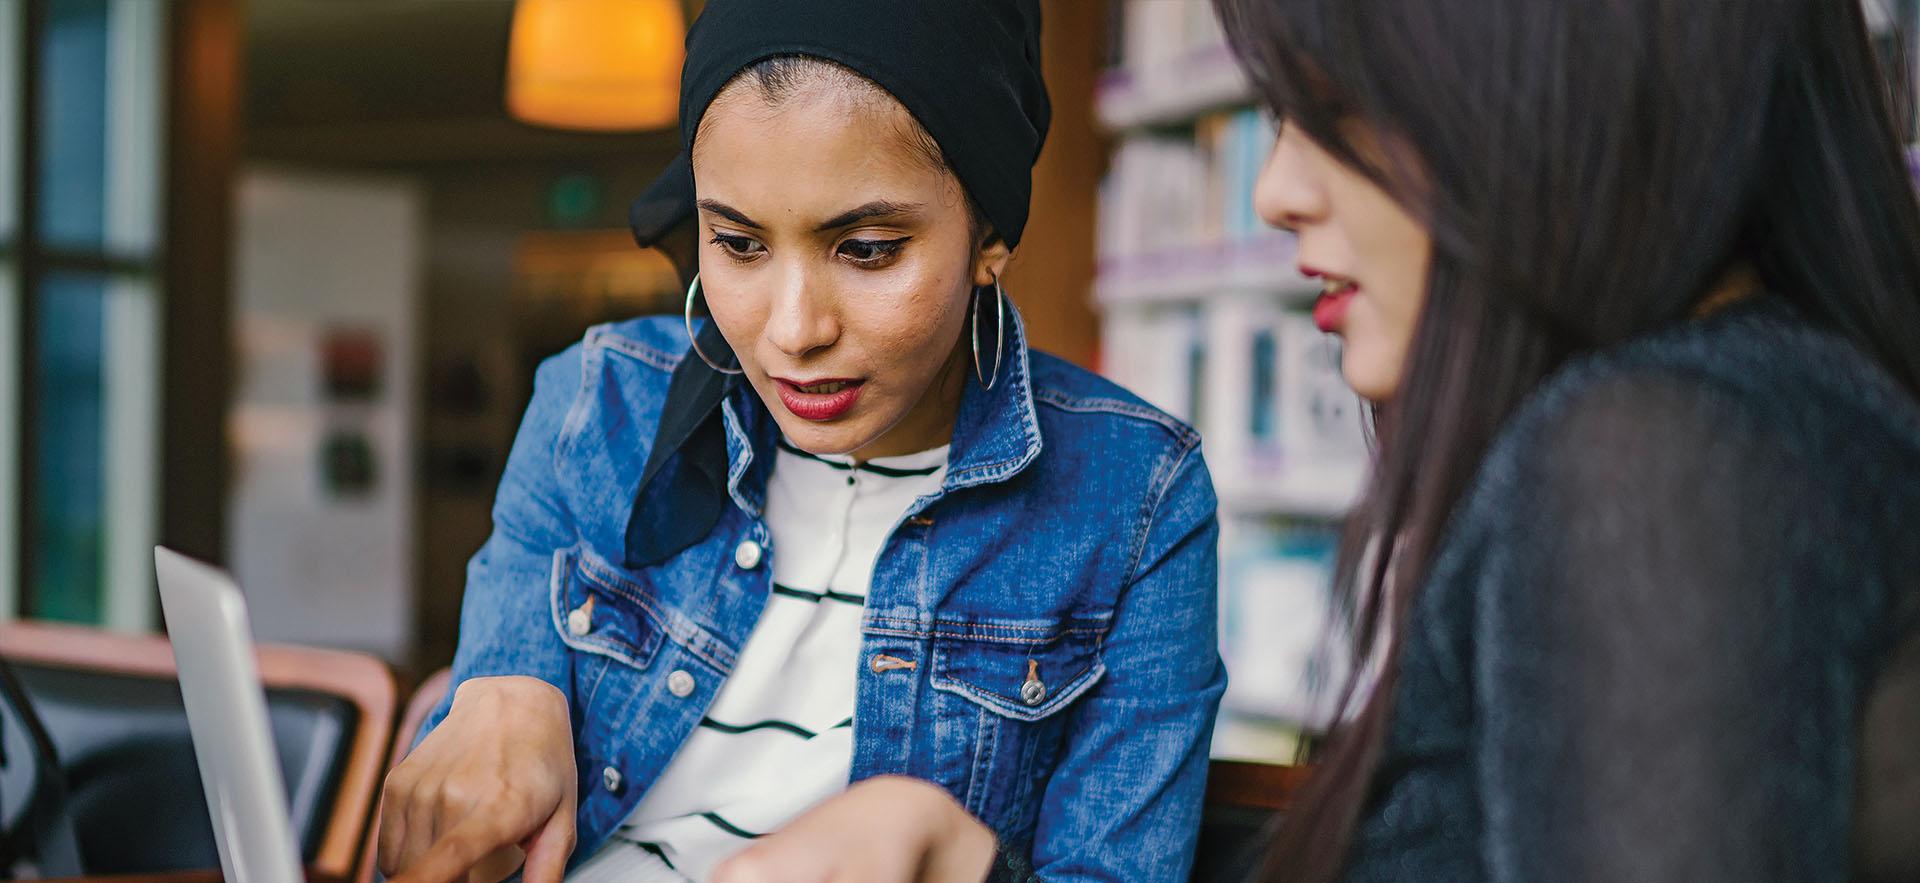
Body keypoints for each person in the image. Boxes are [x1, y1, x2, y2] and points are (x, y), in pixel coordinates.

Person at [375, 2, 1226, 882]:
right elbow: (483, 741)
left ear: (991, 234)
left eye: (865, 249)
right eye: (738, 244)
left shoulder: (1137, 496)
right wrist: (498, 691)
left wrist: (951, 849)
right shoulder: (597, 403)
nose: (792, 330)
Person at [1202, 0, 1920, 879]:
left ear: (1575, 76)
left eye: (1340, 103)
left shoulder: (1659, 462)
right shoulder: (1761, 413)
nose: (1274, 192)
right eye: (1284, 117)